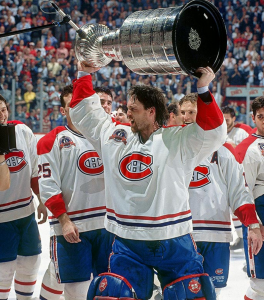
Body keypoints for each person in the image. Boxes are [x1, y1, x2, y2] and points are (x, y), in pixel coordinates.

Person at [70, 64, 226, 300]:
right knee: (119, 295)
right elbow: (83, 112)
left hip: (173, 238)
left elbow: (214, 132)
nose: (128, 113)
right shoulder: (114, 137)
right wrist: (84, 73)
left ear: (152, 112)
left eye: (134, 109)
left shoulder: (178, 139)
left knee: (190, 295)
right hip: (127, 240)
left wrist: (203, 88)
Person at [179, 93, 262, 300]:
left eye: (192, 112)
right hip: (180, 232)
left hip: (216, 233)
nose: (187, 117)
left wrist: (252, 225)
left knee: (213, 293)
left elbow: (239, 191)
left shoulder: (223, 150)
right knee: (180, 292)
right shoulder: (171, 147)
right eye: (183, 112)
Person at [38, 85, 114, 300]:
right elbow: (48, 187)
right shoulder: (51, 141)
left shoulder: (109, 136)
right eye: (73, 104)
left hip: (107, 225)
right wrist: (64, 221)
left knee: (108, 288)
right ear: (64, 110)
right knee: (77, 292)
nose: (79, 108)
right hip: (72, 227)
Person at [0, 94, 47, 300]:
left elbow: (34, 172)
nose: (0, 115)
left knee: (31, 263)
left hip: (26, 214)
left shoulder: (23, 130)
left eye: (2, 109)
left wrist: (41, 201)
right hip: (2, 220)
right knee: (3, 271)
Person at [236, 96, 264, 300]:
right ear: (253, 118)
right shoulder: (249, 148)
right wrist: (255, 224)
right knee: (260, 285)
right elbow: (244, 190)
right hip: (260, 218)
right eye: (261, 116)